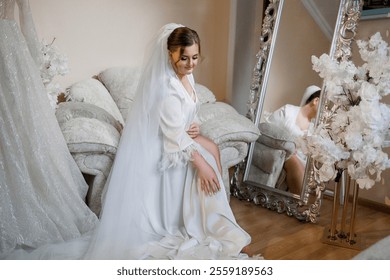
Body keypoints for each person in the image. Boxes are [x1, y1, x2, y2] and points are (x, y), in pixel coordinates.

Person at [82, 23, 252, 260]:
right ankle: (214, 230)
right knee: (205, 164)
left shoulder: (187, 77)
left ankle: (221, 228)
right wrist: (200, 164)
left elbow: (188, 112)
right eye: (184, 58)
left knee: (211, 151)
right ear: (170, 53)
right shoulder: (166, 87)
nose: (191, 64)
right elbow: (173, 135)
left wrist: (194, 124)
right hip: (164, 148)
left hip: (179, 138)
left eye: (195, 57)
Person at [0, 0, 98, 257]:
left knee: (17, 128)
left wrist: (31, 61)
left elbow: (26, 13)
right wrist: (31, 56)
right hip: (11, 49)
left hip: (9, 54)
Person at [265, 85, 321, 194]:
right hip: (281, 151)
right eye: (324, 106)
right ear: (316, 101)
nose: (325, 111)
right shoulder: (288, 111)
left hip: (301, 159)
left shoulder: (313, 128)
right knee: (293, 158)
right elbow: (268, 129)